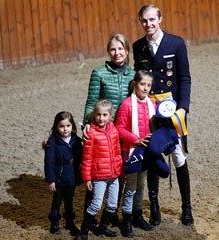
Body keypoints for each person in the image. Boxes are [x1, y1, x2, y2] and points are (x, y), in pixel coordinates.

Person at [133, 4, 194, 226]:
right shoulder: (138, 46)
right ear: (140, 22)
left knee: (178, 157)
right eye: (144, 21)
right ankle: (155, 208)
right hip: (149, 112)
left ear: (160, 19)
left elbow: (185, 78)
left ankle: (186, 207)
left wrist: (183, 107)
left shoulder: (176, 44)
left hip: (173, 111)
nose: (148, 24)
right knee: (152, 154)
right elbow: (138, 78)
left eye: (152, 19)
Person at [82, 33, 135, 227]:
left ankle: (110, 215)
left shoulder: (132, 74)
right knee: (98, 174)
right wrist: (87, 123)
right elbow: (91, 102)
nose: (117, 53)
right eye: (113, 49)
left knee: (118, 175)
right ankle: (89, 219)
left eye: (120, 48)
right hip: (101, 132)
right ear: (108, 51)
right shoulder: (99, 73)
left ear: (127, 51)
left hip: (121, 132)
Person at [115, 70, 156, 237]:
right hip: (131, 150)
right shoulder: (126, 104)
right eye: (142, 84)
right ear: (134, 84)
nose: (145, 88)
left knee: (141, 185)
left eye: (148, 85)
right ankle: (126, 219)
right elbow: (119, 128)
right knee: (130, 187)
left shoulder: (152, 104)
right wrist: (136, 139)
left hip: (146, 151)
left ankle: (137, 215)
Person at [80, 99, 123, 240]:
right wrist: (87, 178)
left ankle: (102, 228)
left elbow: (117, 153)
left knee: (112, 204)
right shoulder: (91, 133)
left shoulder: (114, 131)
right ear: (94, 114)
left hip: (114, 175)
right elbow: (86, 158)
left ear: (110, 115)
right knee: (96, 204)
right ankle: (84, 232)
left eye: (105, 115)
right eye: (98, 114)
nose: (101, 118)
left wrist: (120, 171)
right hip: (99, 176)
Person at [43, 111, 83, 236]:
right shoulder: (53, 142)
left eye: (68, 126)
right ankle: (54, 223)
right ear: (56, 127)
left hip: (71, 178)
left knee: (69, 201)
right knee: (57, 201)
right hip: (58, 180)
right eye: (61, 126)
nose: (65, 129)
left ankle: (70, 222)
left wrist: (80, 177)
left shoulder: (77, 141)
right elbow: (49, 162)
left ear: (72, 126)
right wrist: (51, 180)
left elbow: (81, 159)